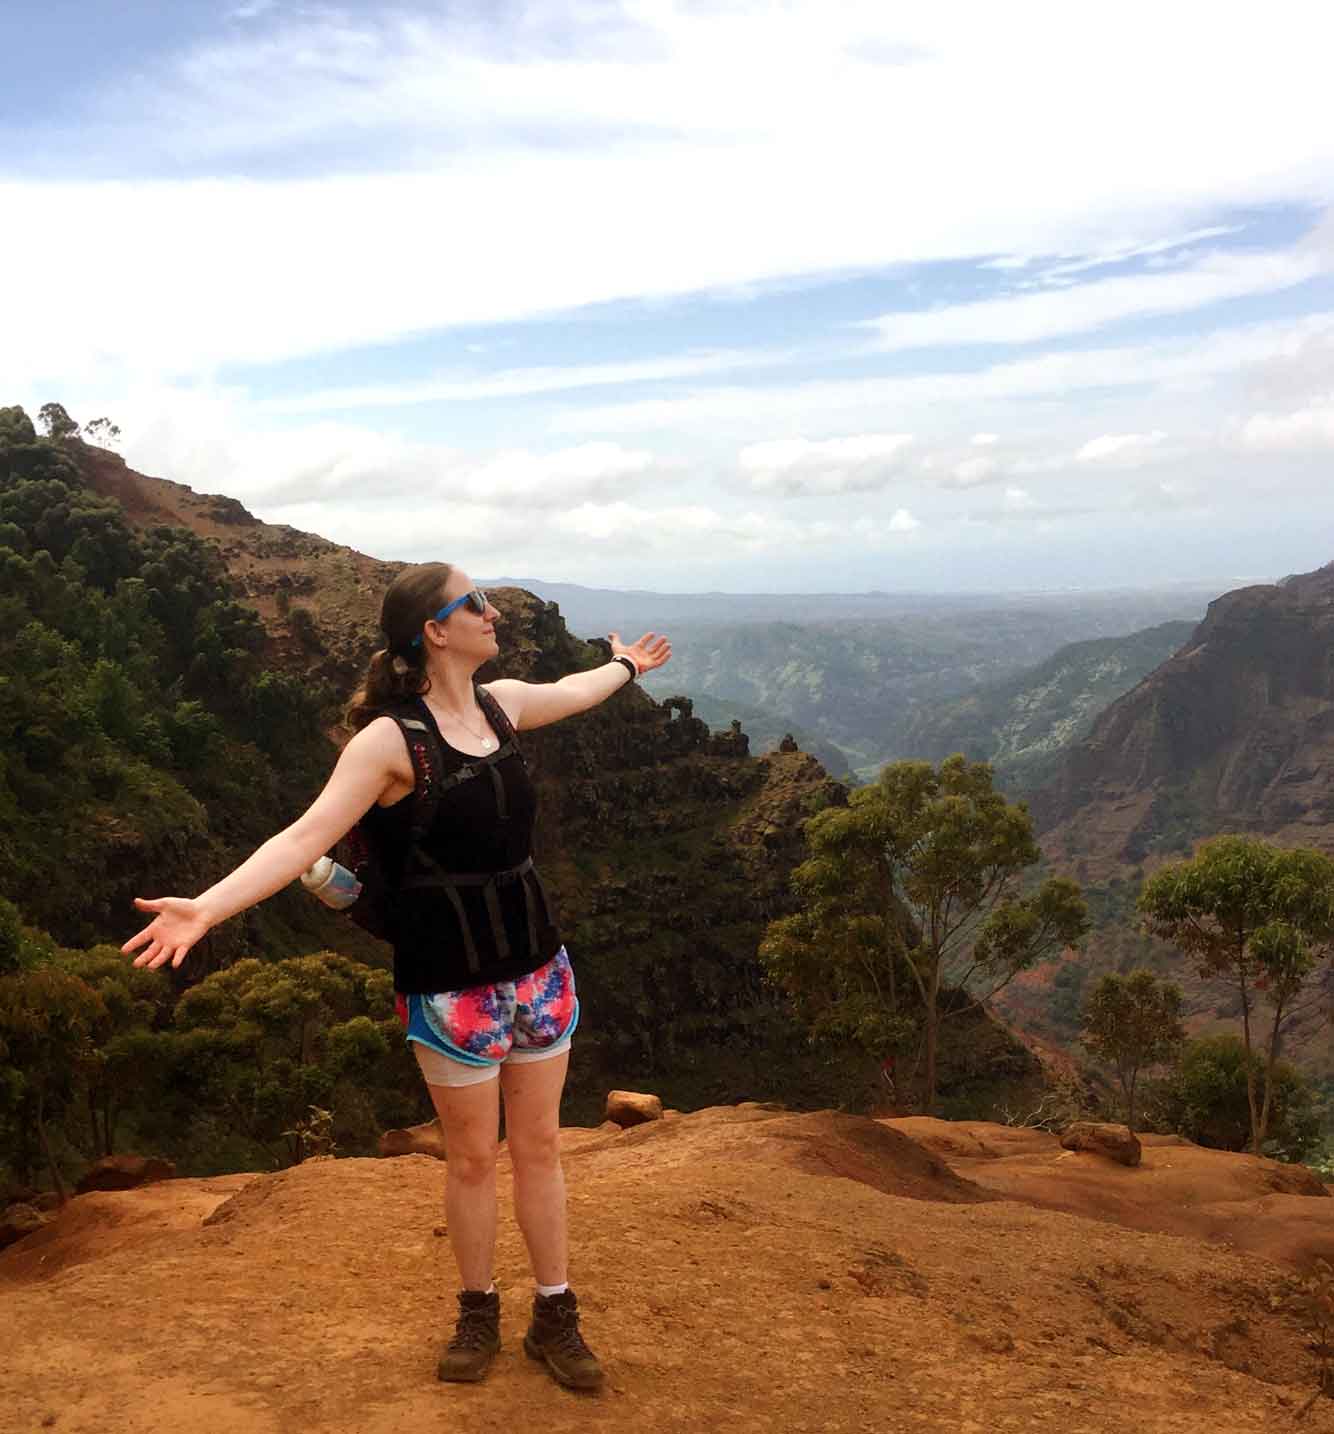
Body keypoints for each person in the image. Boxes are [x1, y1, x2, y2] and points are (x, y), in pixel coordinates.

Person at [120, 561, 671, 1391]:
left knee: (541, 1147)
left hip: (536, 969)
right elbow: (301, 840)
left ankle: (555, 1314)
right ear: (434, 633)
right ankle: (477, 1310)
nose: (491, 612)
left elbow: (577, 688)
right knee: (473, 1161)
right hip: (450, 986)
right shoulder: (390, 742)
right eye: (472, 603)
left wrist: (626, 665)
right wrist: (206, 907)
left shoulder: (503, 705)